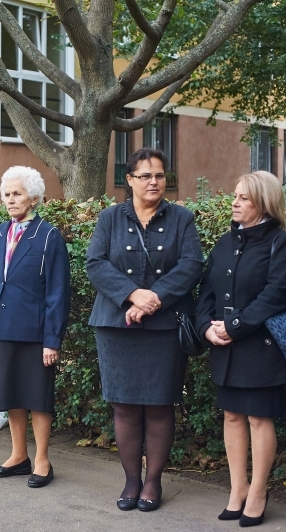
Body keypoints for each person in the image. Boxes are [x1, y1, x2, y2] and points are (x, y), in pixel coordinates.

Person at [86, 148, 204, 511]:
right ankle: (131, 482)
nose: (154, 182)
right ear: (130, 181)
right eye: (145, 175)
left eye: (159, 175)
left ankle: (153, 483)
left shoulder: (181, 218)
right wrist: (132, 294)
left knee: (158, 407)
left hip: (164, 327)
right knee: (123, 407)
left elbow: (191, 265)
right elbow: (95, 263)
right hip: (115, 325)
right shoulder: (110, 218)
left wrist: (154, 297)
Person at [196, 171, 286, 527]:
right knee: (231, 416)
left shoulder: (282, 242)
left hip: (262, 347)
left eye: (243, 197)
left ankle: (258, 492)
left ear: (263, 202)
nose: (234, 202)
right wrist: (205, 329)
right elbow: (206, 292)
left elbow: (277, 294)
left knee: (259, 419)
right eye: (235, 195)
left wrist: (234, 327)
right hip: (224, 345)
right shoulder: (226, 242)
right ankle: (237, 490)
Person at [0, 166, 70, 488]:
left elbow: (58, 292)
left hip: (35, 329)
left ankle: (42, 459)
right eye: (6, 195)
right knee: (11, 392)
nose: (10, 200)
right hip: (3, 326)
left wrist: (52, 340)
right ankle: (18, 455)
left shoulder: (48, 236)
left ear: (34, 197)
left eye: (16, 194)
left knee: (37, 396)